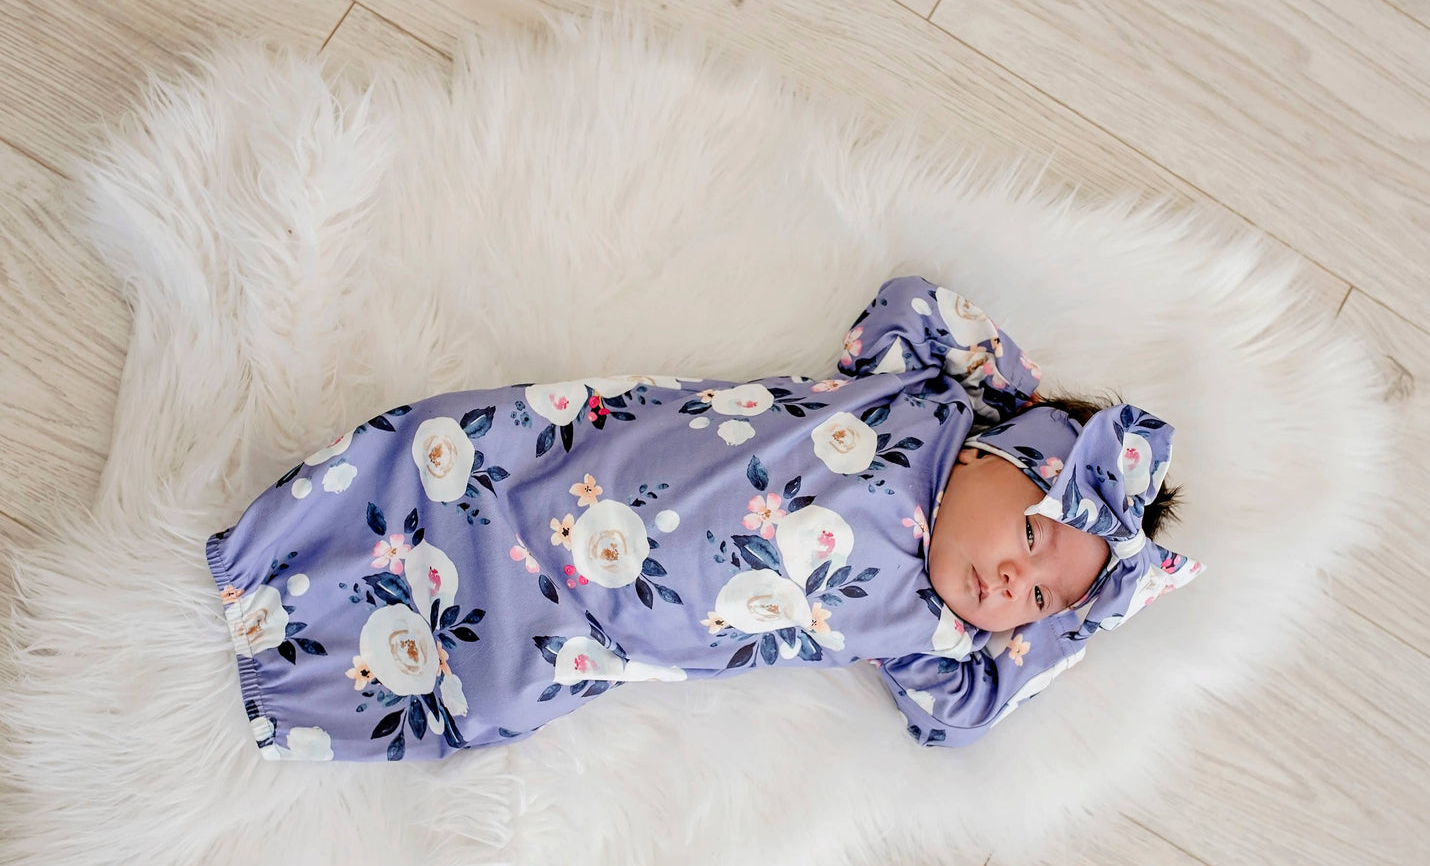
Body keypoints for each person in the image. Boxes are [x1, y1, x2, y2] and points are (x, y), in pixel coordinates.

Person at [206, 276, 1203, 761]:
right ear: (999, 447)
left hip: (595, 627)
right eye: (1028, 537)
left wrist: (1084, 617)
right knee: (443, 459)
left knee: (486, 683)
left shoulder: (928, 637)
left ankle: (288, 675)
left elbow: (959, 719)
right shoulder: (923, 401)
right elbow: (909, 301)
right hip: (578, 462)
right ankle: (278, 552)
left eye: (1035, 601)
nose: (1008, 585)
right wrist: (1005, 391)